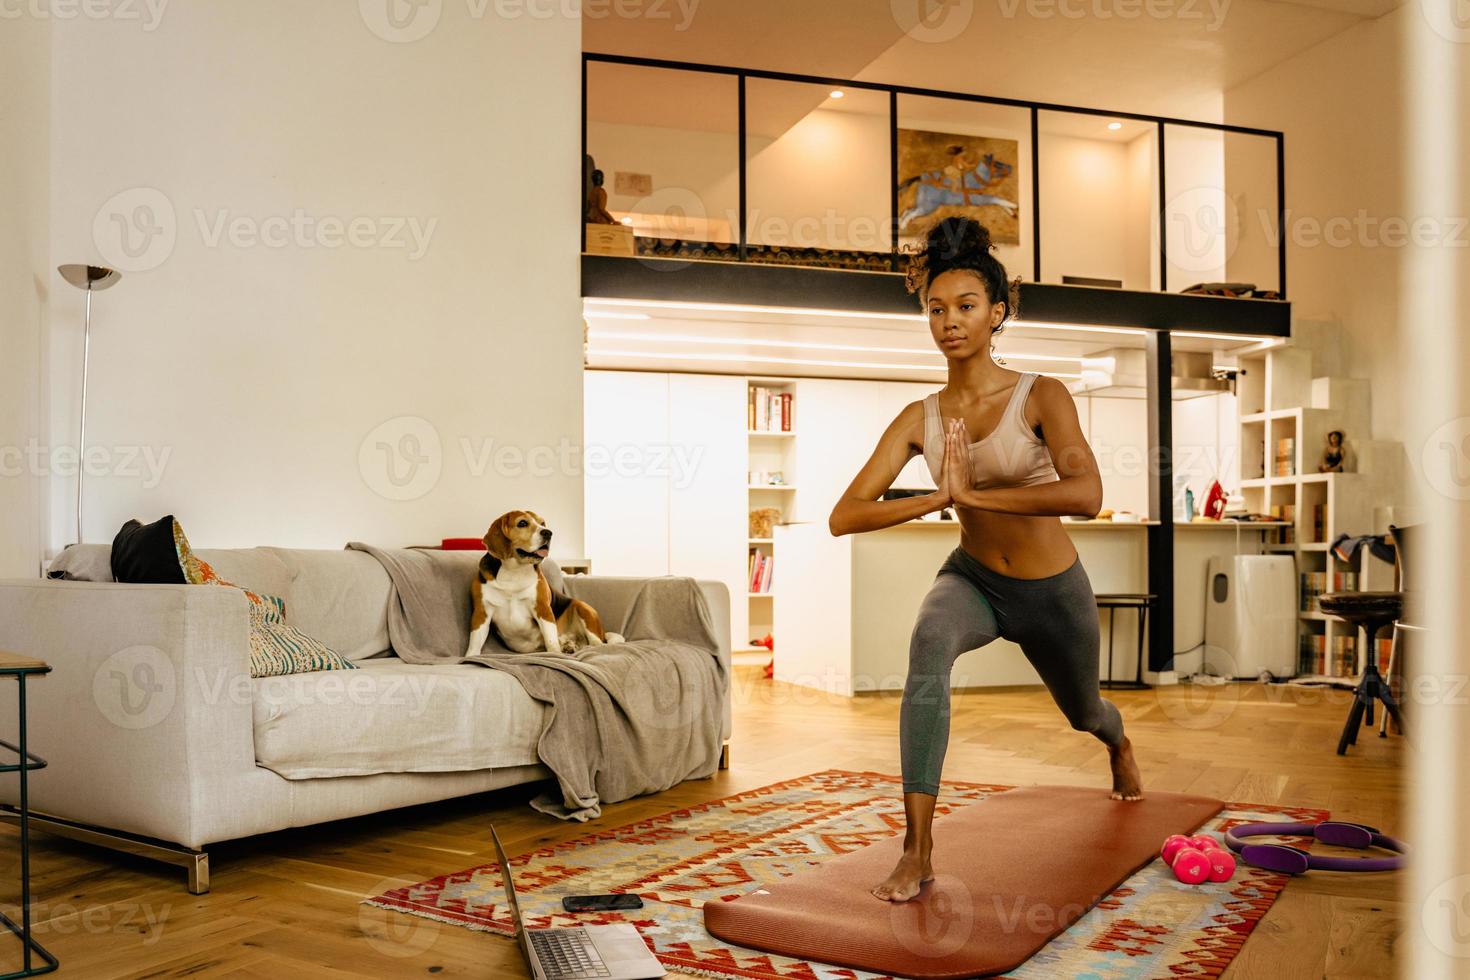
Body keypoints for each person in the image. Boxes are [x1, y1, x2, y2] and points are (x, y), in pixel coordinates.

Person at [827, 217, 1144, 904]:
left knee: (1084, 711)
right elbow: (844, 515)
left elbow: (1087, 494)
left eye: (965, 306)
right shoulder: (922, 417)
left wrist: (981, 490)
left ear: (997, 313)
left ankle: (1117, 743)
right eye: (935, 308)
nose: (949, 321)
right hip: (972, 579)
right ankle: (918, 847)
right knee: (928, 642)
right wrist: (938, 497)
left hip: (1052, 591)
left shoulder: (1041, 395)